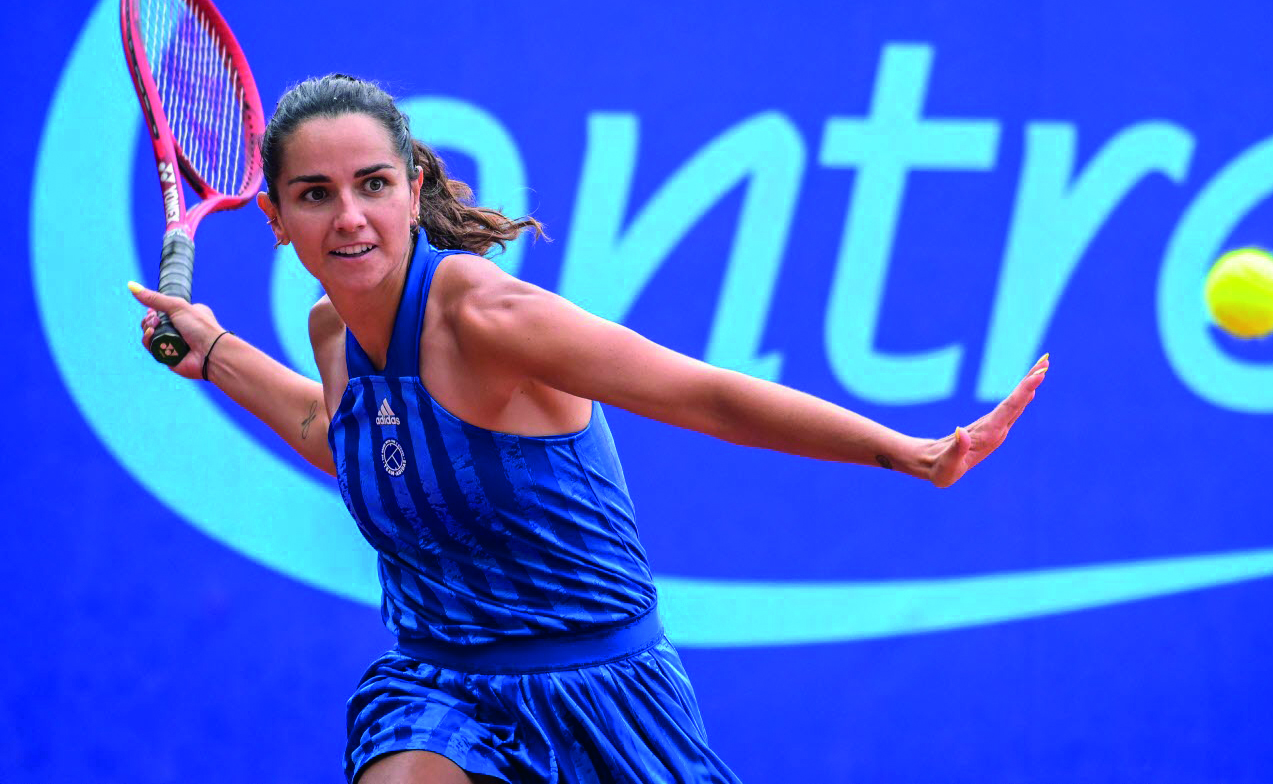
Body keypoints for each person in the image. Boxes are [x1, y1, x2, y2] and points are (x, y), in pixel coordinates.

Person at [129, 73, 1049, 784]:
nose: (351, 215)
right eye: (316, 193)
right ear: (278, 218)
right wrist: (217, 354)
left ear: (413, 188)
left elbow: (704, 395)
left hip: (604, 693)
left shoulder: (490, 316)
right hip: (436, 685)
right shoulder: (331, 332)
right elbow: (346, 438)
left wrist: (907, 451)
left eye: (373, 183)